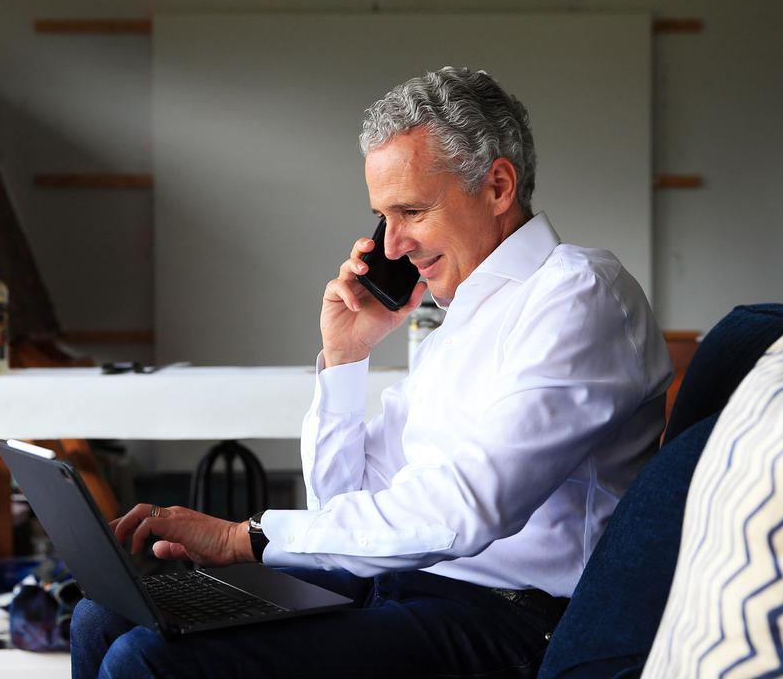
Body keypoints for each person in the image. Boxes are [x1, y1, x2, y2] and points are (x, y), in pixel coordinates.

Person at [72, 67, 673, 678]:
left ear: (497, 187)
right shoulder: (458, 320)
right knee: (104, 617)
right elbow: (343, 503)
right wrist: (344, 358)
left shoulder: (577, 294)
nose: (390, 247)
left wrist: (243, 537)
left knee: (147, 659)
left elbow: (467, 510)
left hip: (507, 620)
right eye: (385, 217)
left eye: (411, 211)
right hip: (399, 589)